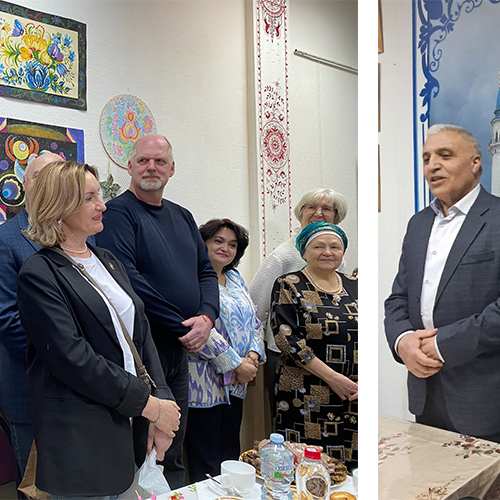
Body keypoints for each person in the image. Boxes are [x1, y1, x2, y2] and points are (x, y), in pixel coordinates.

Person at [16, 161, 180, 498]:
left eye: (99, 196)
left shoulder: (107, 260)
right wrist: (148, 405)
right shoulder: (39, 273)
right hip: (84, 440)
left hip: (132, 424)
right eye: (89, 198)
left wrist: (162, 400)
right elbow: (73, 358)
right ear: (59, 207)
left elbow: (141, 333)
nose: (102, 205)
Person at [95, 134, 219, 487]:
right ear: (129, 166)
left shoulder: (183, 216)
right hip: (143, 351)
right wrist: (186, 326)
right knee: (144, 447)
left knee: (172, 444)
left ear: (172, 168)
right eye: (143, 160)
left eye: (160, 161)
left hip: (180, 351)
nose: (151, 167)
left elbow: (206, 271)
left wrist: (207, 317)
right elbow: (128, 282)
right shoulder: (118, 214)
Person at [385, 124, 500, 441]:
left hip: (486, 401)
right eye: (426, 158)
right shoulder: (418, 224)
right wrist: (403, 341)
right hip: (426, 397)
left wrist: (442, 344)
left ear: (475, 162)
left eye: (445, 155)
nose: (432, 165)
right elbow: (398, 299)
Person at [248, 188, 348, 411]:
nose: (318, 213)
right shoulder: (282, 257)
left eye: (326, 208)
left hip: (330, 354)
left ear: (337, 217)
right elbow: (254, 308)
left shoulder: (336, 258)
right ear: (300, 213)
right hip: (289, 356)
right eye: (311, 207)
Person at [270, 221, 358, 470]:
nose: (327, 252)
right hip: (306, 392)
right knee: (310, 466)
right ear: (304, 252)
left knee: (352, 468)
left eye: (335, 247)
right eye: (318, 246)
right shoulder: (289, 284)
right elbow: (287, 339)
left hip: (353, 393)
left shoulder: (355, 285)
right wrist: (333, 378)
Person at [185, 219, 266, 482]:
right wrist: (235, 364)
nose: (225, 248)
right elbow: (198, 327)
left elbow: (254, 321)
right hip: (203, 382)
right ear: (202, 243)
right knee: (205, 461)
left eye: (232, 244)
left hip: (237, 384)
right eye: (218, 241)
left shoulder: (234, 278)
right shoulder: (190, 278)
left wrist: (252, 357)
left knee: (230, 454)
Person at [0, 151, 62, 484]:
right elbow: (7, 319)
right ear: (25, 183)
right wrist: (66, 357)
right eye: (39, 174)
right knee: (34, 486)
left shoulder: (82, 237)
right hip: (28, 386)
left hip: (81, 394)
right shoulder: (5, 239)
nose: (49, 180)